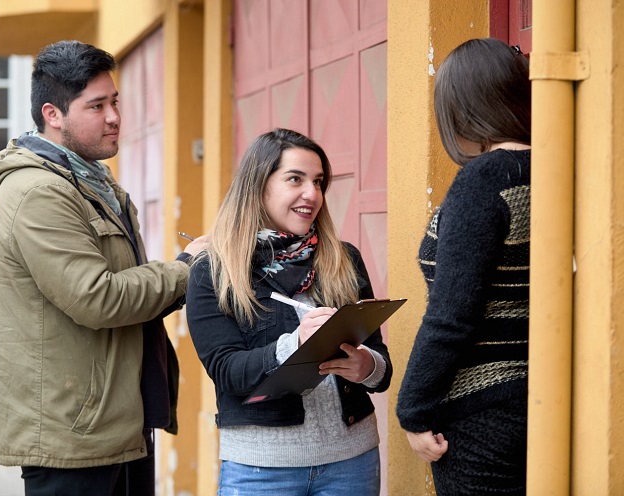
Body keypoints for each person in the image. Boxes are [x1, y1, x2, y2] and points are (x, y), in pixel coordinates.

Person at [0, 40, 207, 496]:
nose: (114, 117)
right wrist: (188, 270)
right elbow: (97, 298)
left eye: (115, 101)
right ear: (53, 114)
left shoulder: (92, 182)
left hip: (115, 421)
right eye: (97, 105)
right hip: (73, 435)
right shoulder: (38, 194)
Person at [185, 128, 392, 495]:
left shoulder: (344, 259)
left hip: (353, 462)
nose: (311, 194)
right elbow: (226, 369)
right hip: (260, 470)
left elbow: (380, 363)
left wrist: (368, 367)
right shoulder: (212, 270)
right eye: (295, 179)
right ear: (258, 185)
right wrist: (295, 343)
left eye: (318, 182)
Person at [396, 38, 531, 495]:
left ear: (462, 106)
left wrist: (413, 410)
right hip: (546, 396)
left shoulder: (485, 179)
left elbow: (453, 314)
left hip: (482, 413)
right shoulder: (556, 167)